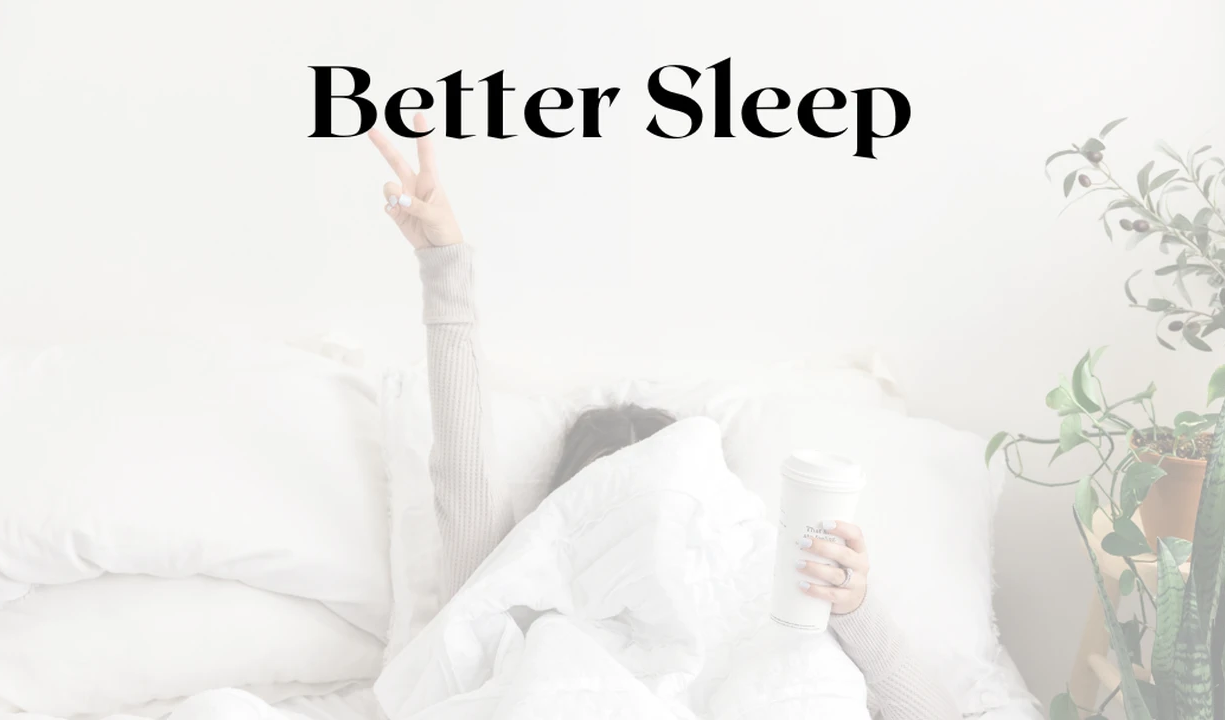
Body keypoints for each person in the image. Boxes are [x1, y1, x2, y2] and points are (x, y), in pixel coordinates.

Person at [369, 115, 960, 720]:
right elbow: (464, 476)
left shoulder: (773, 606)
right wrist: (445, 267)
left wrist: (853, 609)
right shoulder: (517, 603)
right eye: (611, 482)